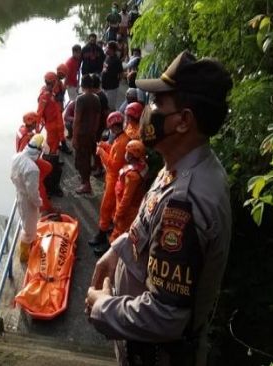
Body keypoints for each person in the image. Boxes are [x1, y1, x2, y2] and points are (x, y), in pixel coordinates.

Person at [85, 51, 234, 366]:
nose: (147, 111)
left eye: (158, 103)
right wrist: (121, 248)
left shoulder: (186, 201)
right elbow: (150, 224)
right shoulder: (182, 164)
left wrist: (102, 307)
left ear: (184, 121)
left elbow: (166, 316)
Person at [88, 111, 131, 251]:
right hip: (114, 178)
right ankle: (106, 231)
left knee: (106, 207)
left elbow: (113, 165)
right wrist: (106, 147)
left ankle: (102, 232)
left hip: (114, 178)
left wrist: (101, 152)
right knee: (111, 208)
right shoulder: (122, 138)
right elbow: (115, 153)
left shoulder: (121, 142)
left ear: (113, 127)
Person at [11, 134, 45, 262]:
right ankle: (24, 256)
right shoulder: (32, 169)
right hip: (28, 200)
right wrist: (39, 203)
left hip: (20, 194)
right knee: (29, 228)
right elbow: (32, 193)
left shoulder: (17, 157)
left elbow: (12, 176)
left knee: (26, 222)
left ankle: (28, 246)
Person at [108, 139, 148, 246]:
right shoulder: (142, 166)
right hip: (130, 206)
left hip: (128, 211)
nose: (125, 154)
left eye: (127, 152)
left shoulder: (132, 176)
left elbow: (126, 198)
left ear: (131, 156)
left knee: (120, 233)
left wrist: (118, 215)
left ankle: (113, 251)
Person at [16, 112, 54, 213]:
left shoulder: (23, 130)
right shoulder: (26, 137)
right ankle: (47, 209)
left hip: (28, 160)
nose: (37, 124)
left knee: (48, 167)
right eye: (35, 122)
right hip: (28, 163)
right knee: (40, 188)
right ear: (31, 123)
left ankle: (38, 183)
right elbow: (24, 152)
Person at [37, 71, 66, 197]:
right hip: (52, 128)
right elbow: (39, 113)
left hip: (56, 127)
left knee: (53, 153)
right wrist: (37, 131)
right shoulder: (45, 96)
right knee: (51, 156)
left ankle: (51, 182)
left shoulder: (49, 94)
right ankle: (50, 186)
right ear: (53, 82)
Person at [72, 74, 101, 194]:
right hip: (91, 134)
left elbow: (77, 120)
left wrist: (74, 137)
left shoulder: (81, 99)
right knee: (88, 157)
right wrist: (94, 131)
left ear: (82, 85)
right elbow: (98, 117)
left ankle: (86, 184)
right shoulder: (96, 98)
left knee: (82, 160)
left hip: (82, 134)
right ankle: (85, 180)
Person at [91, 73, 110, 177]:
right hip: (102, 125)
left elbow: (98, 114)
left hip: (98, 126)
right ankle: (96, 164)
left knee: (97, 147)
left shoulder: (97, 97)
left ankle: (99, 168)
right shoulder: (102, 94)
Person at [56, 63, 74, 154]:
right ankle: (62, 145)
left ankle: (61, 144)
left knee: (60, 128)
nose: (64, 76)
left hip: (58, 109)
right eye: (63, 74)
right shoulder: (55, 83)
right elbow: (56, 97)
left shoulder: (58, 82)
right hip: (55, 111)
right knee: (59, 128)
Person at [101, 41, 123, 111]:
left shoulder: (116, 60)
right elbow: (104, 69)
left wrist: (117, 82)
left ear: (111, 49)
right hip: (105, 86)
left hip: (112, 88)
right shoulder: (107, 57)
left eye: (107, 47)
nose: (106, 49)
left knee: (110, 107)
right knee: (105, 105)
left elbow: (121, 73)